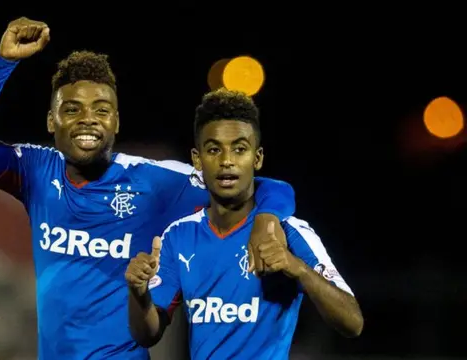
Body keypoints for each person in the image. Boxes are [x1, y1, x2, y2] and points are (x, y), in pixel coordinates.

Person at [0, 17, 296, 360]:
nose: (88, 119)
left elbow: (266, 187)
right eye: (72, 109)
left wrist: (266, 219)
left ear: (116, 121)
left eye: (102, 110)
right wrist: (1, 62)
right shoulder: (35, 170)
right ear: (52, 121)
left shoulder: (156, 183)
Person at [125, 88, 364, 359]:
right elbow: (148, 334)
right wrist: (138, 292)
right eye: (214, 149)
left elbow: (352, 322)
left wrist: (296, 267)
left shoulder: (289, 231)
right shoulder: (178, 235)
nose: (227, 161)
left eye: (239, 149)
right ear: (197, 159)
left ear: (257, 158)